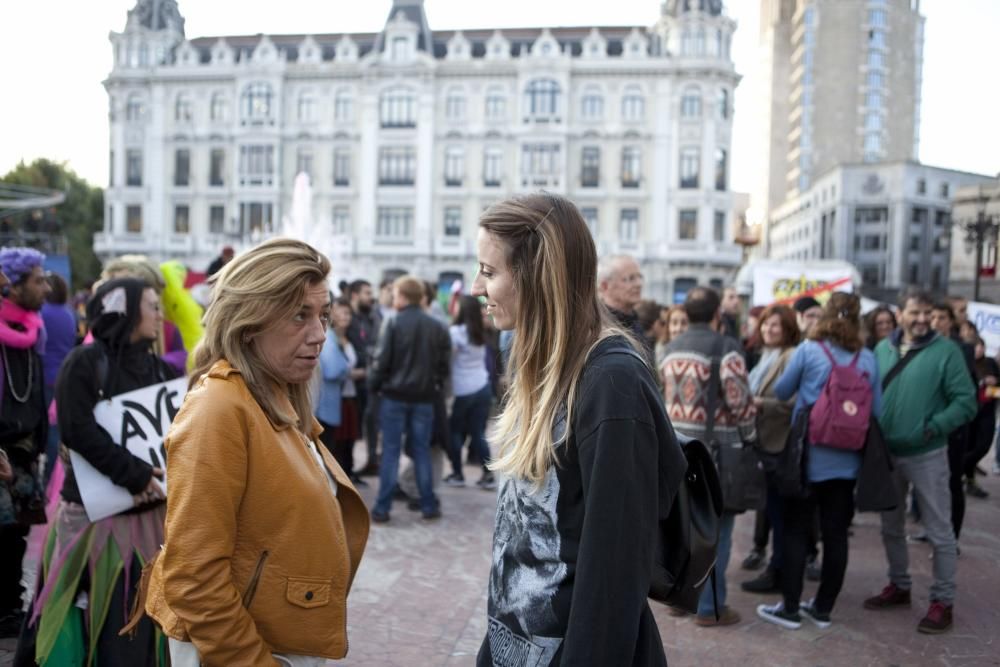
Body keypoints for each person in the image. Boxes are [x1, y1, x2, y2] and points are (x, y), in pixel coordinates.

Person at [472, 193, 685, 666]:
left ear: (536, 275)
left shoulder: (612, 381)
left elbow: (614, 572)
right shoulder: (537, 362)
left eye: (489, 272)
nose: (474, 287)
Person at [143, 238, 370, 663]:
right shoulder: (219, 408)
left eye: (321, 315)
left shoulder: (272, 394)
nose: (320, 334)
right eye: (299, 316)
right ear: (249, 321)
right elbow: (193, 577)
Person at [23, 278, 177, 664]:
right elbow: (78, 430)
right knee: (88, 619)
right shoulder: (85, 363)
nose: (160, 315)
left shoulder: (158, 368)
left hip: (148, 519)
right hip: (95, 524)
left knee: (137, 625)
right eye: (152, 306)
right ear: (124, 311)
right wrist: (136, 475)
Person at [756, 293, 882, 630]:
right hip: (848, 462)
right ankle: (823, 608)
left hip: (806, 458)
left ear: (824, 316)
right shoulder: (867, 359)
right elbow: (877, 411)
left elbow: (782, 392)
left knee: (796, 530)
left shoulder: (809, 351)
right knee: (836, 534)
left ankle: (791, 608)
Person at [864, 288, 976, 634]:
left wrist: (933, 428)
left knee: (940, 532)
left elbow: (966, 401)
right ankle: (899, 585)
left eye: (928, 313)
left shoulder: (947, 352)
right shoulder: (882, 349)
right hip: (888, 454)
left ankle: (943, 601)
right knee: (891, 526)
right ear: (901, 314)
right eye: (915, 312)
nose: (922, 319)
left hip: (928, 454)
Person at [661, 286, 756, 627]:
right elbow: (740, 402)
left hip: (679, 450)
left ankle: (681, 597)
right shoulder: (727, 348)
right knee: (719, 530)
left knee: (685, 528)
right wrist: (750, 436)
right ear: (717, 315)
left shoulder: (669, 349)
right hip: (716, 454)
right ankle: (710, 606)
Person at [369, 276, 450, 522]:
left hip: (394, 396)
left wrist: (374, 386)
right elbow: (444, 367)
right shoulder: (436, 326)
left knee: (391, 452)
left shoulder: (392, 322)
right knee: (421, 451)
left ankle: (382, 508)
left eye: (395, 295)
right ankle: (428, 504)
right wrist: (433, 384)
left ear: (403, 297)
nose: (393, 299)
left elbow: (381, 361)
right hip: (424, 397)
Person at [0, 248, 50, 639]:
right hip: (2, 449)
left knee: (16, 536)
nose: (45, 287)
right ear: (13, 287)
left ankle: (10, 609)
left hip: (25, 449)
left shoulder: (36, 330)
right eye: (37, 280)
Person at [740, 304, 800, 591]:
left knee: (780, 513)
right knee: (773, 511)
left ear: (788, 328)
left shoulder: (791, 356)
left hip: (780, 444)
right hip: (764, 442)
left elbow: (794, 404)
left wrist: (762, 404)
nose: (768, 329)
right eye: (765, 324)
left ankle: (779, 571)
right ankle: (777, 567)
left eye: (775, 325)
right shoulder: (766, 355)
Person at [929, 301, 976, 541]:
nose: (936, 322)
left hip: (954, 425)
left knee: (952, 481)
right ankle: (931, 530)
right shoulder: (924, 346)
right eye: (933, 317)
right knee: (931, 482)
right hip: (930, 423)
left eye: (942, 318)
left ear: (951, 321)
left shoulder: (963, 349)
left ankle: (952, 535)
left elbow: (960, 387)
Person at [443, 295, 495, 490]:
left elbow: (449, 360)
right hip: (482, 385)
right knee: (478, 432)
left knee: (455, 432)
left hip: (462, 389)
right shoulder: (481, 330)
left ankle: (458, 473)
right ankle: (488, 474)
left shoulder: (456, 332)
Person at [317, 297, 367, 487]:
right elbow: (333, 370)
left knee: (345, 441)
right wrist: (352, 372)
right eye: (339, 312)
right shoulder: (328, 337)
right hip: (328, 400)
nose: (343, 316)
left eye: (347, 313)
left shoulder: (350, 337)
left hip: (345, 396)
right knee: (331, 445)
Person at [39, 272, 77, 484]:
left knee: (51, 433)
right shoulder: (69, 313)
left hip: (46, 379)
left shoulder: (42, 313)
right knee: (59, 430)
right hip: (64, 377)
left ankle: (49, 483)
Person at [348, 279, 380, 477]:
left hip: (367, 381)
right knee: (350, 429)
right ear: (355, 295)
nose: (371, 297)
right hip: (350, 382)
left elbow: (375, 343)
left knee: (369, 424)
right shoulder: (346, 317)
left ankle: (369, 462)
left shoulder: (371, 317)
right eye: (367, 293)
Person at [964, 336, 996, 498]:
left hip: (987, 412)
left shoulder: (990, 364)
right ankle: (970, 481)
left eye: (982, 346)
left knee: (983, 446)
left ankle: (960, 467)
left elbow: (997, 391)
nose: (979, 349)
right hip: (970, 413)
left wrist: (992, 386)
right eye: (976, 346)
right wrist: (982, 382)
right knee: (969, 446)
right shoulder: (965, 365)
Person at [597, 255, 647, 350]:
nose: (638, 284)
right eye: (630, 278)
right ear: (605, 286)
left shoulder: (634, 322)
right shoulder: (599, 326)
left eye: (639, 277)